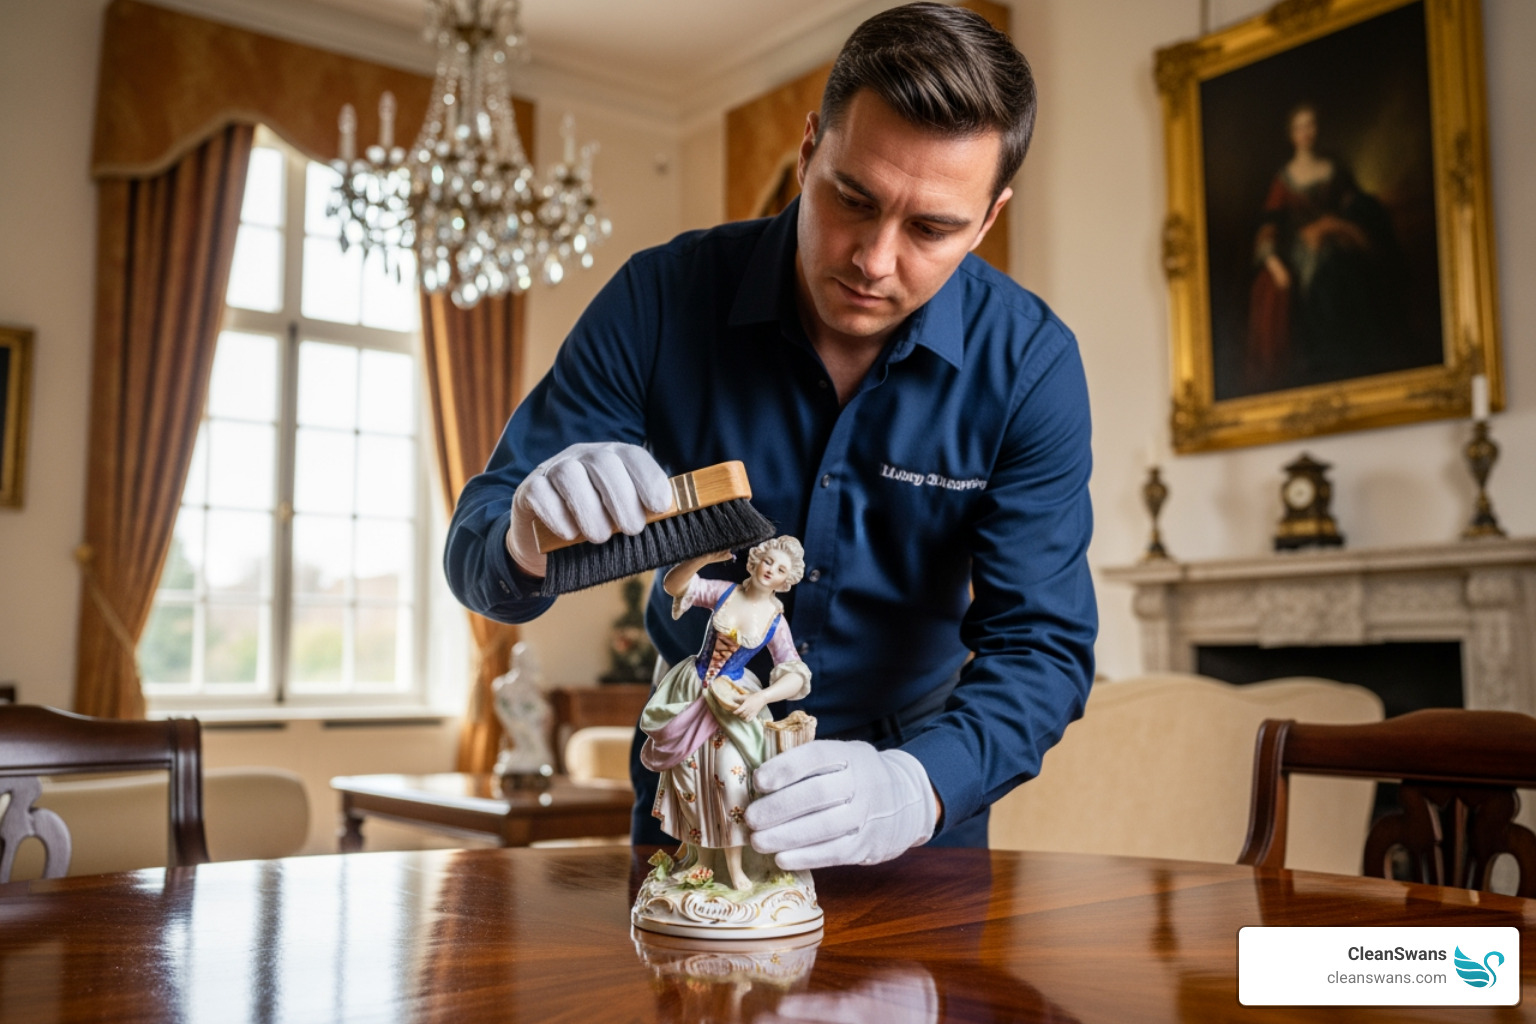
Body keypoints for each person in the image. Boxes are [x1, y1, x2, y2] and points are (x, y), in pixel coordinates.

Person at [445, 2, 1096, 871]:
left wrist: (917, 785)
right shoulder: (660, 300)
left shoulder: (1030, 368)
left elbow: (1042, 647)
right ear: (807, 152)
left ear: (987, 219)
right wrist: (524, 537)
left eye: (931, 228)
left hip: (913, 826)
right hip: (691, 790)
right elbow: (478, 553)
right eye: (851, 198)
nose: (873, 258)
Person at [640, 536, 811, 891]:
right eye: (768, 561)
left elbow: (794, 672)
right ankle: (703, 864)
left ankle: (736, 868)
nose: (771, 570)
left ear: (786, 580)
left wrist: (761, 697)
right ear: (756, 561)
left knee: (733, 785)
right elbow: (676, 585)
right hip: (693, 691)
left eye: (780, 569)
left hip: (734, 701)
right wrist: (700, 557)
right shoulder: (725, 592)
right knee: (693, 780)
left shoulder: (775, 622)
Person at [1246, 103, 1404, 393]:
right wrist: (1273, 262)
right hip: (1302, 251)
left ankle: (1357, 363)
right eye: (1299, 127)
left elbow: (1356, 208)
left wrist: (1339, 225)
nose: (1306, 132)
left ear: (1317, 129)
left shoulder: (1333, 170)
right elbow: (1268, 226)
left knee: (1350, 277)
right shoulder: (1284, 180)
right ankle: (1320, 361)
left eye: (1311, 125)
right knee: (1316, 284)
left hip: (1339, 240)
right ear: (1291, 135)